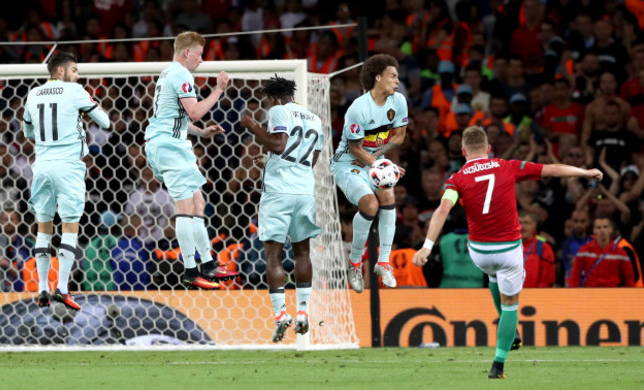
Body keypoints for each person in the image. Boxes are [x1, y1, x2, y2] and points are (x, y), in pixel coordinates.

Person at [412, 126, 602, 379]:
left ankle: (509, 328)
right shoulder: (507, 166)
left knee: (493, 276)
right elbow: (552, 170)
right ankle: (498, 364)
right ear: (489, 148)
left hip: (479, 252)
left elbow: (442, 210)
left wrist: (426, 246)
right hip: (508, 250)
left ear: (463, 151)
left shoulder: (455, 179)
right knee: (511, 305)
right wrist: (586, 171)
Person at [144, 31, 237, 290]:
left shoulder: (167, 74)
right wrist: (219, 90)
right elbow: (194, 112)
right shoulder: (181, 74)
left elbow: (175, 118)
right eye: (199, 54)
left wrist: (201, 132)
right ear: (187, 53)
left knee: (198, 202)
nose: (202, 60)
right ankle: (190, 269)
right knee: (186, 206)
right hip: (169, 147)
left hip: (168, 144)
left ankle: (207, 265)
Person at [22, 52, 111, 310]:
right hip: (68, 167)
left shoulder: (33, 94)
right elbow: (104, 122)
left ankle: (41, 289)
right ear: (60, 71)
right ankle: (61, 288)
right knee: (70, 228)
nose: (78, 75)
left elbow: (28, 131)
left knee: (43, 228)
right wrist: (84, 111)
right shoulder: (76, 91)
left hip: (42, 167)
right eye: (74, 69)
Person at [240, 75, 324, 342]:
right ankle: (303, 312)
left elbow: (279, 143)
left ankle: (280, 315)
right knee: (302, 252)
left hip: (278, 193)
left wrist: (252, 125)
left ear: (274, 98)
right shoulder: (314, 118)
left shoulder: (278, 110)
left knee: (273, 255)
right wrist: (269, 159)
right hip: (304, 191)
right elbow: (310, 159)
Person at [330, 54, 408, 292]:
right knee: (370, 205)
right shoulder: (358, 109)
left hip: (373, 159)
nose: (397, 80)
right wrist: (380, 165)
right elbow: (355, 149)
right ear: (378, 78)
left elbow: (399, 136)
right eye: (392, 75)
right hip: (348, 164)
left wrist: (381, 161)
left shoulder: (399, 101)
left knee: (387, 198)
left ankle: (383, 262)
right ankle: (354, 264)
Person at [568, 216, 635, 288]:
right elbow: (575, 275)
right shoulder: (584, 251)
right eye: (599, 227)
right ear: (594, 230)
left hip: (612, 293)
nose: (602, 230)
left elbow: (629, 279)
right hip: (591, 293)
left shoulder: (620, 253)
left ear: (610, 229)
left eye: (605, 227)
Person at [518, 210, 556, 288]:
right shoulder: (509, 247)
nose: (522, 227)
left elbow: (547, 279)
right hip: (511, 296)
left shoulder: (544, 248)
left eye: (526, 223)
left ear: (534, 225)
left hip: (535, 296)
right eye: (519, 223)